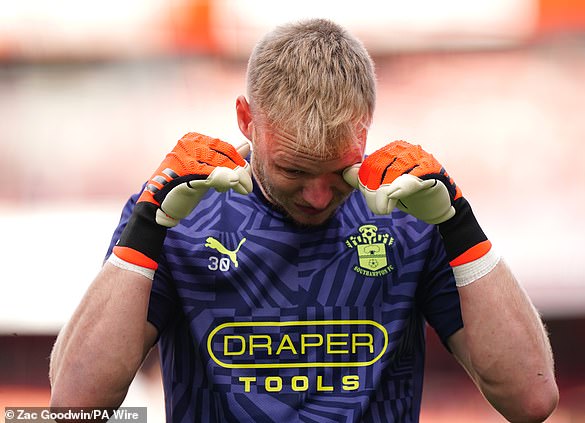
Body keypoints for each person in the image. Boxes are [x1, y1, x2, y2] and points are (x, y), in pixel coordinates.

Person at [49, 18, 559, 422]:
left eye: (339, 171)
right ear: (247, 119)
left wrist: (460, 225)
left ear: (367, 127)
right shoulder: (179, 212)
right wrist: (144, 230)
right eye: (294, 169)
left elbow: (531, 399)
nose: (317, 196)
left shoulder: (412, 211)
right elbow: (73, 407)